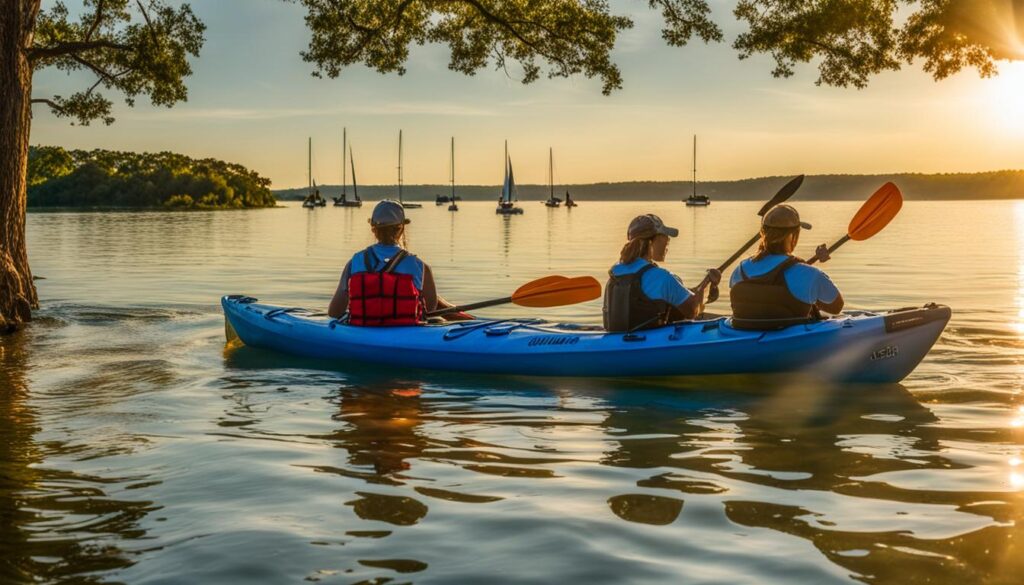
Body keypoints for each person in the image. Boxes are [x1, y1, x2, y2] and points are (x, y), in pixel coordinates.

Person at [328, 200, 446, 324]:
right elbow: (431, 310)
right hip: (406, 333)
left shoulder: (354, 262)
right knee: (439, 320)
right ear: (401, 229)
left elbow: (334, 312)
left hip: (362, 331)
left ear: (373, 229)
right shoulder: (420, 266)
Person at [729, 204, 844, 329]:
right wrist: (811, 294)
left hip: (743, 339)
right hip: (792, 344)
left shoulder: (739, 271)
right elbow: (836, 307)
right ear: (795, 234)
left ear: (762, 232)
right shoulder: (810, 274)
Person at [603, 214, 721, 332]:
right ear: (651, 242)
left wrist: (699, 288)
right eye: (664, 236)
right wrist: (708, 282)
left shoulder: (615, 273)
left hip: (617, 339)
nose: (668, 240)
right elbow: (693, 311)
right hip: (651, 344)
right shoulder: (661, 277)